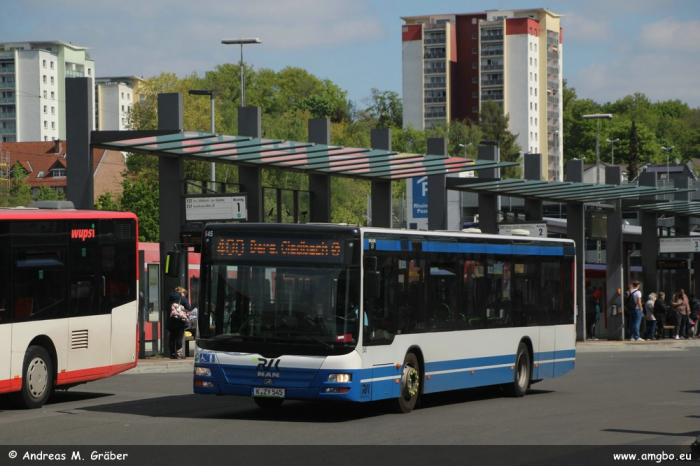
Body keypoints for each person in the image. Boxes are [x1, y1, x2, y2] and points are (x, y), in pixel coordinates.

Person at [167, 286, 191, 359]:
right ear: (182, 293)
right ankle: (179, 354)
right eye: (185, 293)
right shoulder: (183, 299)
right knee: (179, 338)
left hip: (171, 321)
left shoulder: (170, 298)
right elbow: (189, 308)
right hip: (180, 321)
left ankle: (172, 354)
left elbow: (166, 308)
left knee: (172, 337)